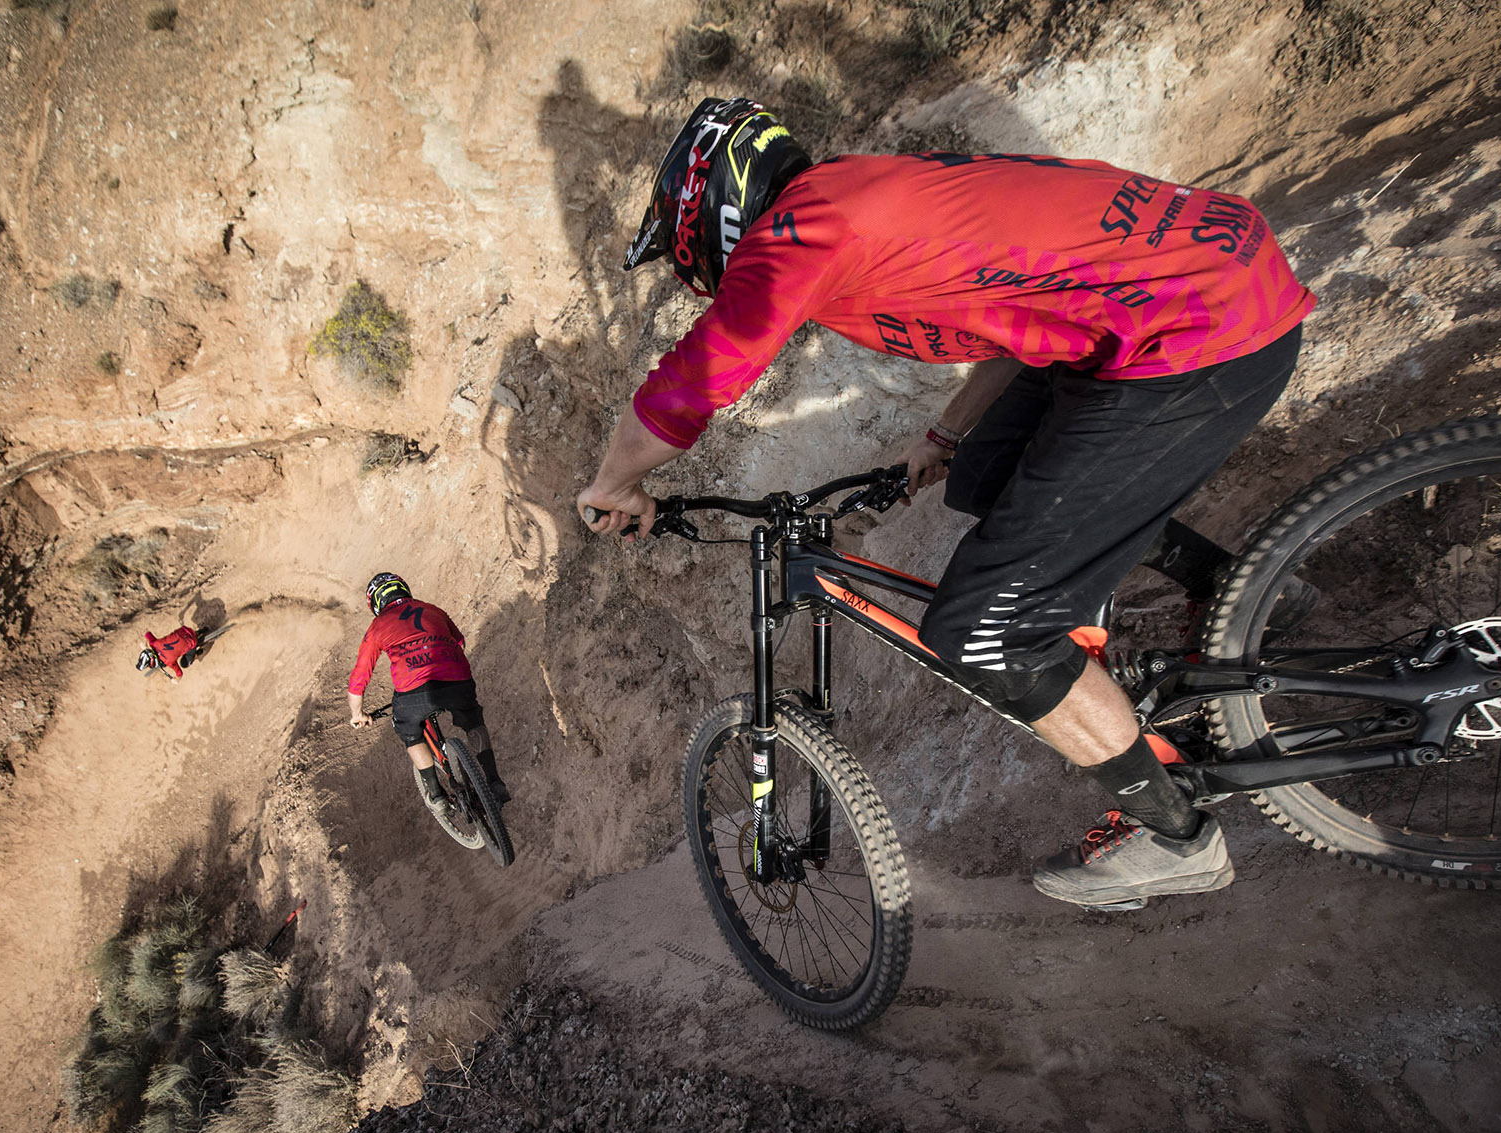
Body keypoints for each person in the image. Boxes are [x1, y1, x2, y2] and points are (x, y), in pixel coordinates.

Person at [576, 98, 1315, 910]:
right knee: (984, 471)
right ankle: (1239, 592)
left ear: (710, 212)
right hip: (1191, 285)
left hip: (1195, 333)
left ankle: (1177, 835)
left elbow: (693, 379)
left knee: (985, 634)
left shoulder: (803, 229)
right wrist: (946, 433)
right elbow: (1013, 316)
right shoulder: (874, 190)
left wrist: (614, 484)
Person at [346, 573, 510, 810]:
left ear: (376, 603)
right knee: (473, 721)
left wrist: (358, 714)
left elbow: (359, 678)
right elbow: (460, 642)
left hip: (413, 693)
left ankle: (437, 797)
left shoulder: (378, 627)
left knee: (411, 734)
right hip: (457, 680)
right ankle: (494, 782)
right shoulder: (433, 609)